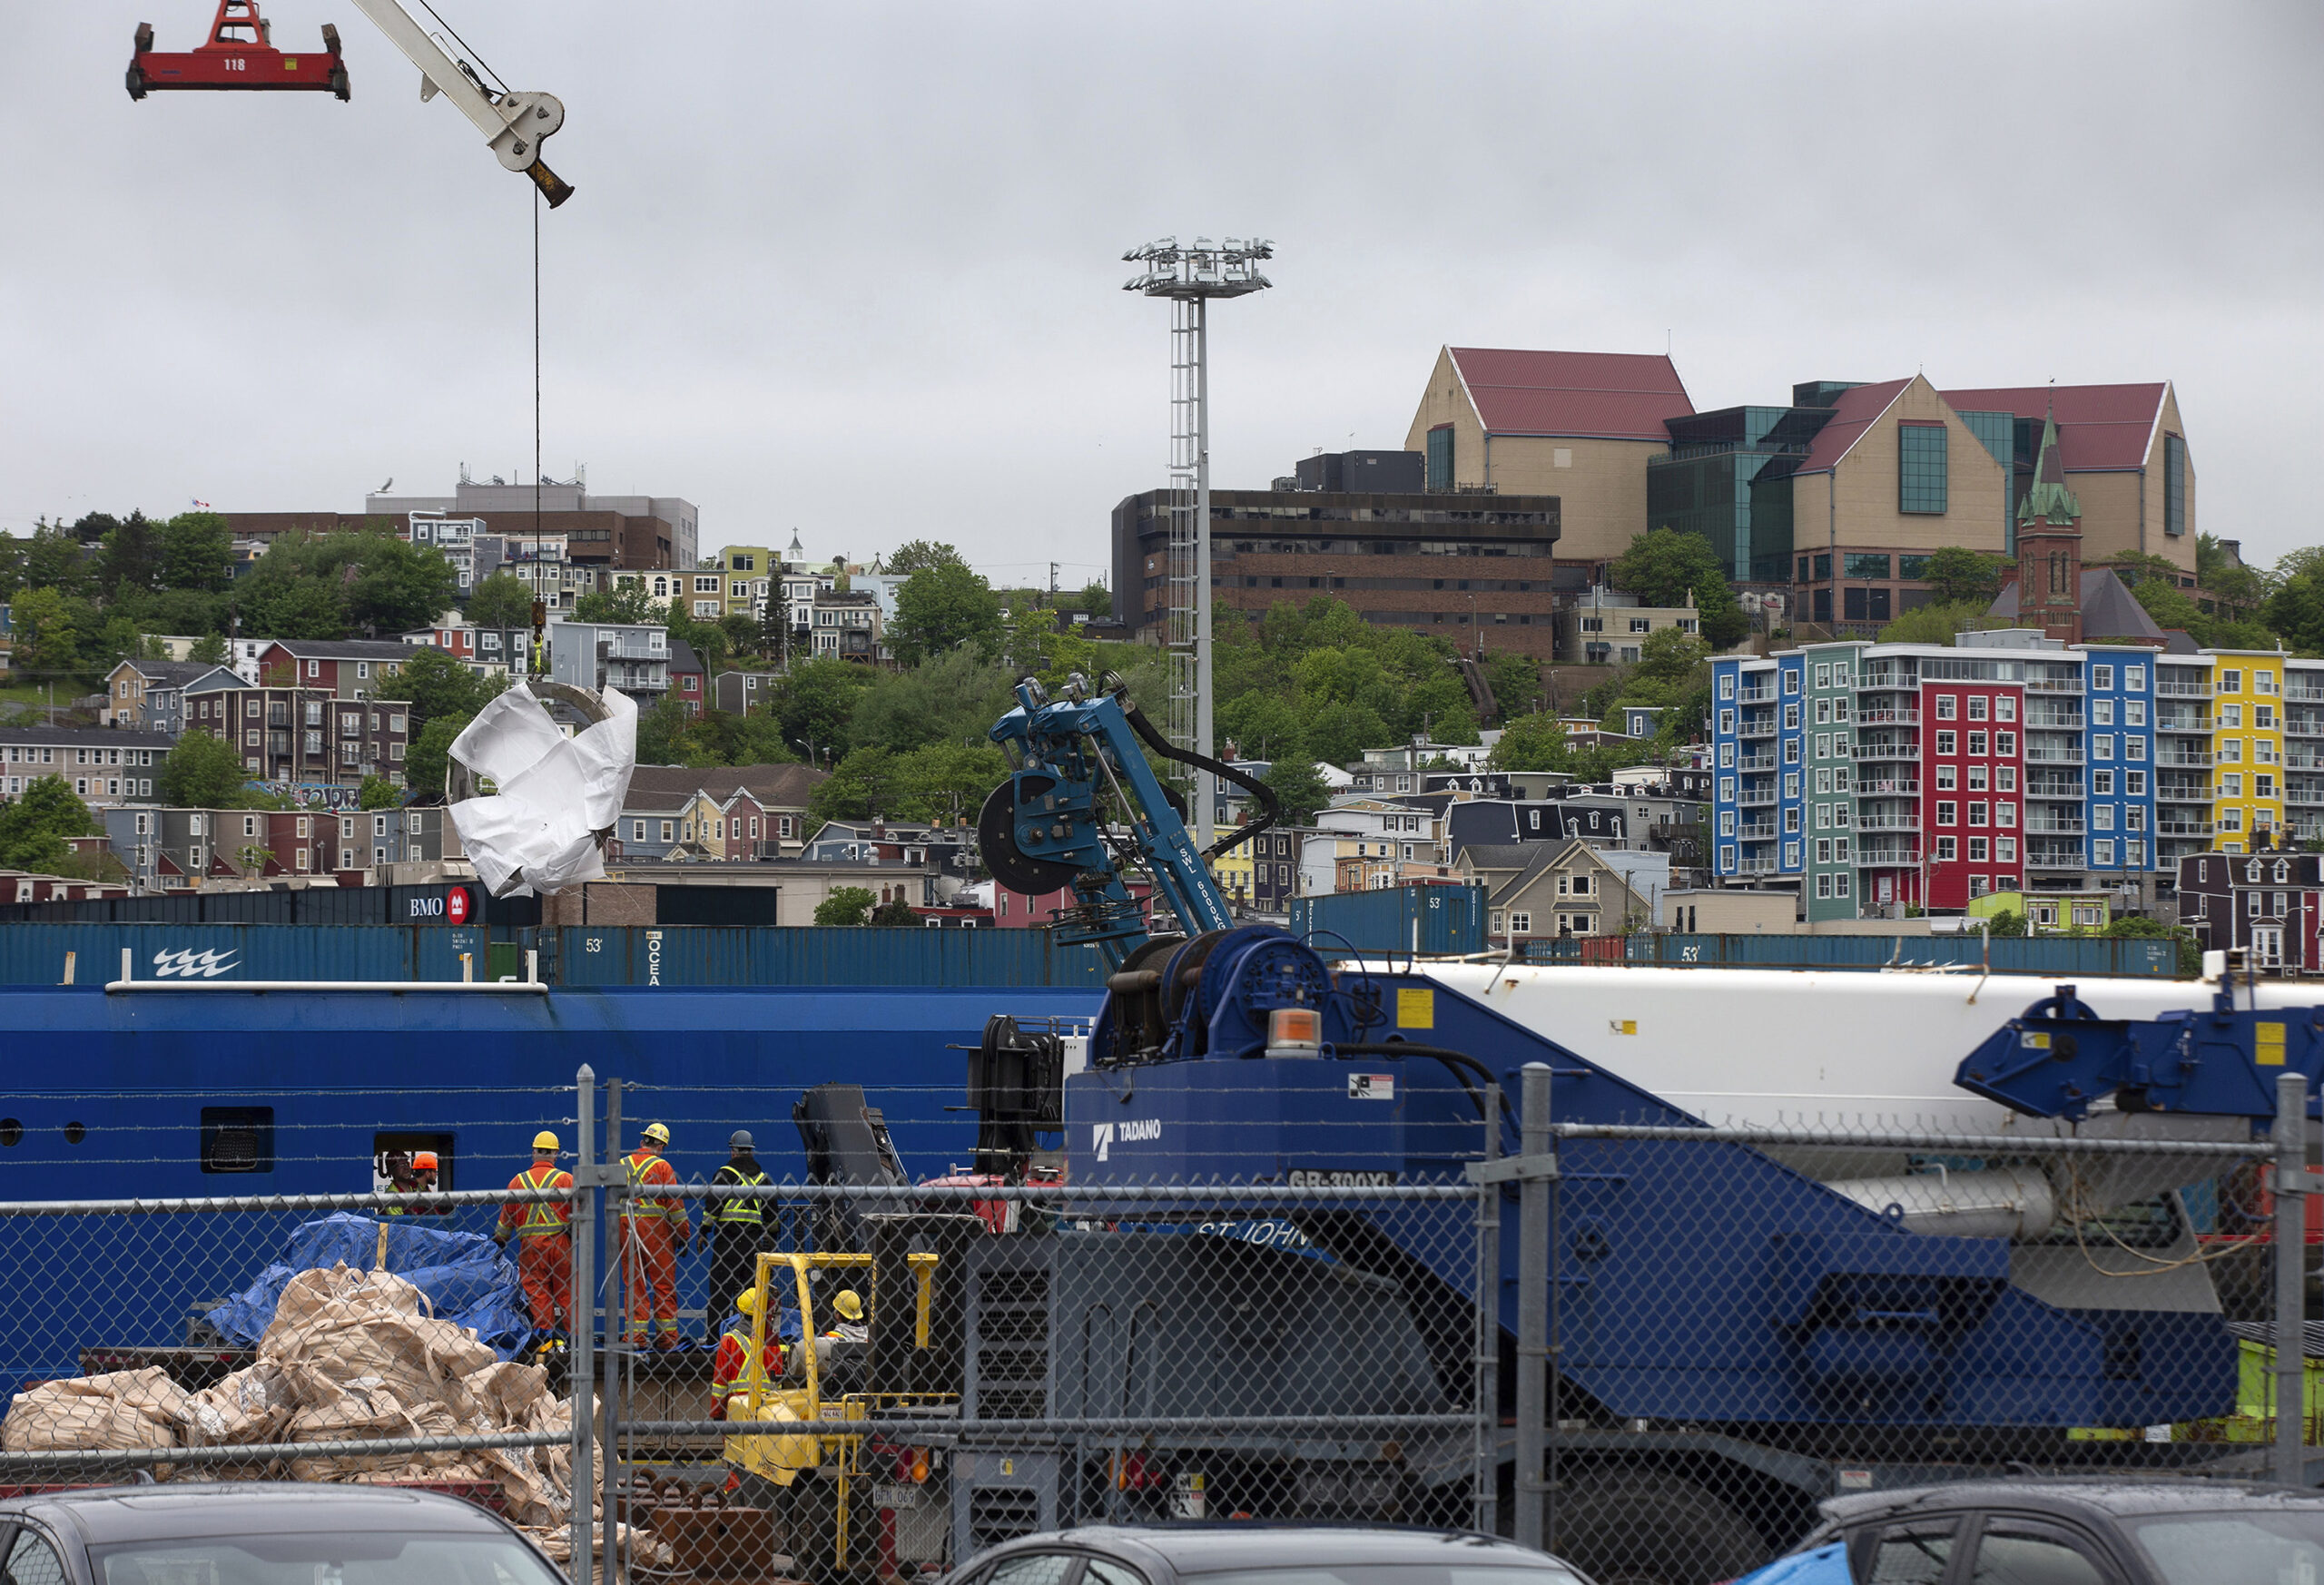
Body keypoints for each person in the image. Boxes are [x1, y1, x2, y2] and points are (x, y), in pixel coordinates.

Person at [495, 1132, 575, 1337]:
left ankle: (544, 1343)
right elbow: (579, 1216)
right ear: (555, 1154)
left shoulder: (517, 1182)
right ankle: (578, 1342)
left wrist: (499, 1243)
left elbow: (505, 1224)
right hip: (561, 1244)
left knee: (538, 1295)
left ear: (534, 1152)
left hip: (530, 1249)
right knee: (569, 1294)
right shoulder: (566, 1180)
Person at [619, 1122, 691, 1348]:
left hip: (627, 1230)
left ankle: (635, 1338)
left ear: (643, 1142)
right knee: (663, 1285)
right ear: (660, 1146)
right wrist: (684, 1235)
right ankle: (667, 1339)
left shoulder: (622, 1164)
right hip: (657, 1233)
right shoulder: (662, 1167)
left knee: (635, 1284)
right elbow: (675, 1207)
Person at [701, 1131, 772, 1320]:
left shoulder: (725, 1174)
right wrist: (771, 1238)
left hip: (727, 1243)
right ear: (752, 1152)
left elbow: (712, 1208)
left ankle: (716, 1340)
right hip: (753, 1244)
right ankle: (751, 1338)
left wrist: (703, 1231)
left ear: (733, 1151)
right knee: (752, 1294)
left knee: (720, 1294)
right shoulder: (763, 1179)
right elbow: (772, 1214)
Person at [709, 1288, 785, 1420]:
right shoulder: (773, 1345)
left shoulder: (729, 1341)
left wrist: (716, 1414)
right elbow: (779, 1386)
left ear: (740, 1311)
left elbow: (720, 1385)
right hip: (767, 1415)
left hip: (736, 1413)